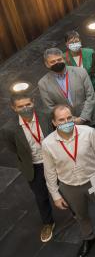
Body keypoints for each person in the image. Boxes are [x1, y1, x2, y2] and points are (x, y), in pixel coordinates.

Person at [42, 104, 95, 257]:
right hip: (69, 186)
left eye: (69, 118)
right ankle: (89, 238)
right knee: (80, 215)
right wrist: (55, 195)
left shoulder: (89, 133)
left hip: (94, 178)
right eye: (61, 120)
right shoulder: (48, 144)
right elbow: (50, 172)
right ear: (54, 123)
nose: (67, 122)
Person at [2, 93, 56, 242]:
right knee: (41, 196)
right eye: (20, 106)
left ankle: (76, 212)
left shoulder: (46, 115)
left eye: (28, 104)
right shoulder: (9, 129)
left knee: (65, 188)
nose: (25, 108)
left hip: (54, 161)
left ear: (33, 102)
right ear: (13, 108)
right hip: (33, 166)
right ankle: (48, 223)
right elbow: (14, 149)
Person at [38, 48, 95, 126]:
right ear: (47, 64)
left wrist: (83, 118)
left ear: (63, 59)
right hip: (67, 124)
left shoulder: (81, 72)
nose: (57, 63)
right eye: (52, 62)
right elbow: (50, 107)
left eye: (59, 59)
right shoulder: (43, 83)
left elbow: (91, 96)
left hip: (91, 118)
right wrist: (71, 119)